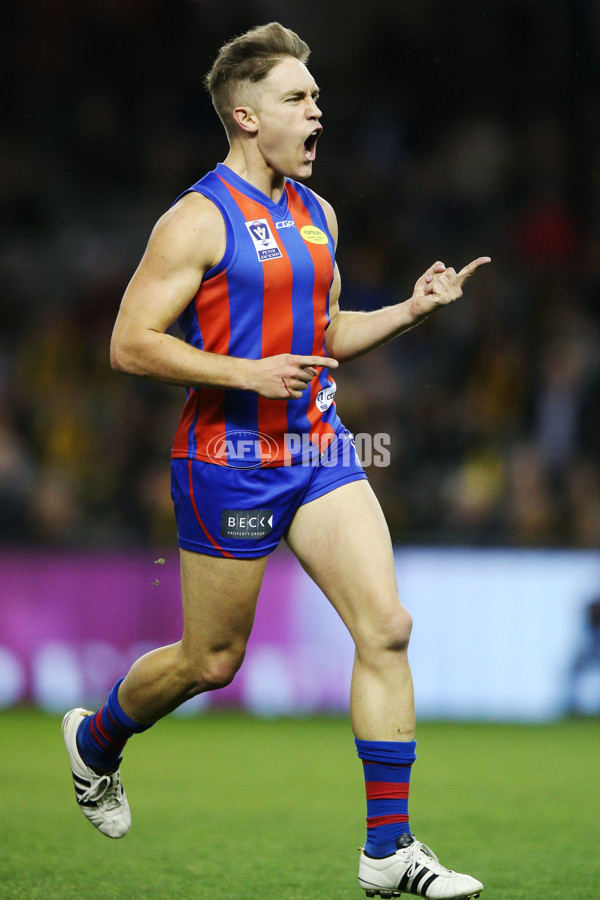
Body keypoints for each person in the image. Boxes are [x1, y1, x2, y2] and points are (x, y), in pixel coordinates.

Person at [62, 22, 489, 899]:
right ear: (247, 115)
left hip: (318, 447)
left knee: (388, 627)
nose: (318, 112)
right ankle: (95, 741)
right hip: (229, 459)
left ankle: (389, 851)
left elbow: (326, 333)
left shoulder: (318, 213)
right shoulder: (194, 219)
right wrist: (243, 372)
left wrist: (411, 309)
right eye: (300, 99)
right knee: (211, 662)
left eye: (319, 98)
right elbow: (128, 343)